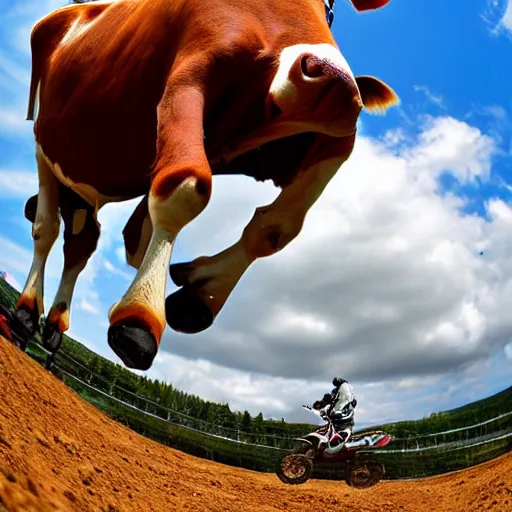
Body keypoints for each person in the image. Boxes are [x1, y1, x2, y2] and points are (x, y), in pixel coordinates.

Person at [313, 377, 357, 449]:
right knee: (321, 432)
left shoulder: (349, 397)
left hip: (346, 421)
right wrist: (321, 403)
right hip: (334, 421)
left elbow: (351, 404)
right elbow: (325, 403)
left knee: (345, 435)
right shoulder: (333, 395)